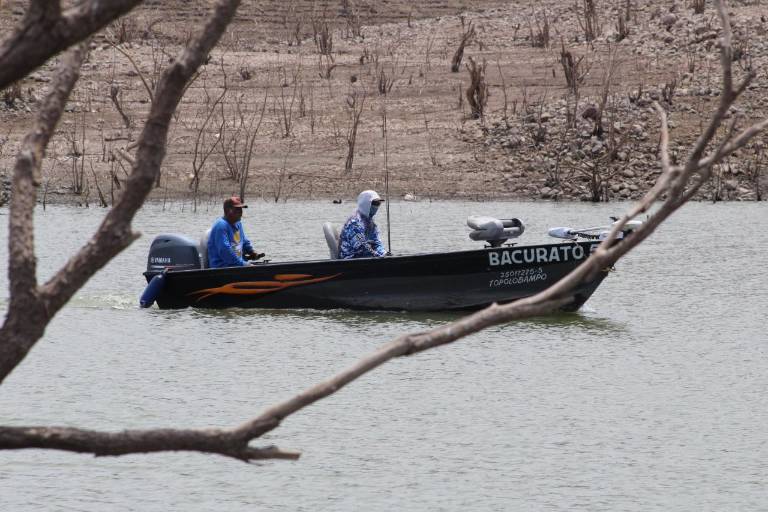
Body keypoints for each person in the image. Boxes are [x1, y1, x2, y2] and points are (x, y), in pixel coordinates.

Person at [207, 196, 263, 268]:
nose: (241, 212)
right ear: (229, 210)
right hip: (222, 268)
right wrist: (244, 264)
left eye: (241, 209)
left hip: (236, 266)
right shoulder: (221, 226)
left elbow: (244, 241)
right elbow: (225, 251)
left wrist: (252, 252)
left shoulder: (238, 223)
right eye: (237, 209)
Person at [338, 190, 387, 259]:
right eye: (375, 203)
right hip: (350, 259)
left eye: (378, 204)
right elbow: (361, 246)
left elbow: (377, 242)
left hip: (365, 257)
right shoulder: (354, 222)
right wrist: (377, 255)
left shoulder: (371, 222)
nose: (376, 207)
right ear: (365, 203)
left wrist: (384, 254)